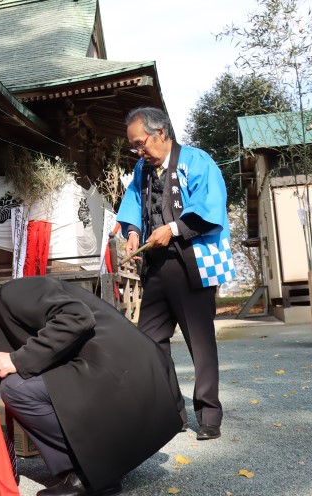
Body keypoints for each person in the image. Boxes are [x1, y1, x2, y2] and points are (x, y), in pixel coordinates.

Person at [0, 275, 183, 496]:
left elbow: (77, 317)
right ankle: (94, 469)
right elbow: (29, 367)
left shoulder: (12, 293)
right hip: (110, 369)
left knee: (16, 390)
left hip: (123, 368)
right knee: (16, 387)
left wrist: (15, 359)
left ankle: (87, 475)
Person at [116, 106, 236, 441]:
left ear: (161, 133)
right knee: (151, 342)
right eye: (135, 146)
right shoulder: (142, 168)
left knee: (200, 342)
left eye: (142, 144)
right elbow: (130, 207)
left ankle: (209, 415)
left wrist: (172, 228)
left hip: (191, 262)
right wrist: (133, 234)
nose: (139, 152)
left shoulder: (197, 161)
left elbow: (210, 208)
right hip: (155, 267)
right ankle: (173, 412)